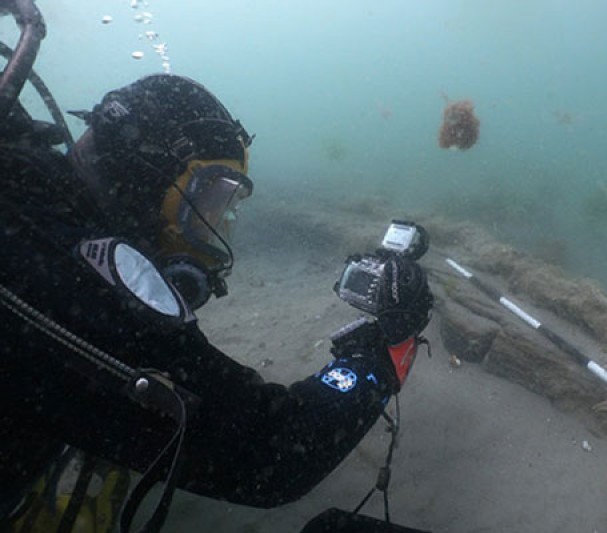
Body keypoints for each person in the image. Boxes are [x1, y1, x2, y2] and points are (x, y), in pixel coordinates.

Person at [0, 1, 434, 531]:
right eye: (207, 201)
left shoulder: (31, 206)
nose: (212, 236)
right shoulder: (54, 270)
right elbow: (270, 455)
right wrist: (381, 354)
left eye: (226, 211)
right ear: (145, 174)